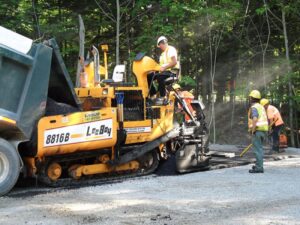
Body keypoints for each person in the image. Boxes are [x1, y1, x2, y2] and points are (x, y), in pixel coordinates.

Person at [148, 36, 180, 104]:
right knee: (149, 76)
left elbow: (174, 62)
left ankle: (163, 97)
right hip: (165, 72)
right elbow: (161, 66)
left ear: (163, 43)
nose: (160, 47)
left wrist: (164, 68)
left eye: (160, 45)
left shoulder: (171, 49)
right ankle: (153, 95)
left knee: (160, 77)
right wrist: (154, 70)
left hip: (172, 72)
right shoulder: (163, 54)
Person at [248, 90, 269, 173]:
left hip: (257, 130)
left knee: (258, 150)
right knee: (259, 149)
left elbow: (255, 118)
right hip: (263, 130)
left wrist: (253, 130)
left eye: (250, 98)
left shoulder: (254, 107)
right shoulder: (261, 107)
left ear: (251, 98)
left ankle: (259, 168)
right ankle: (258, 165)